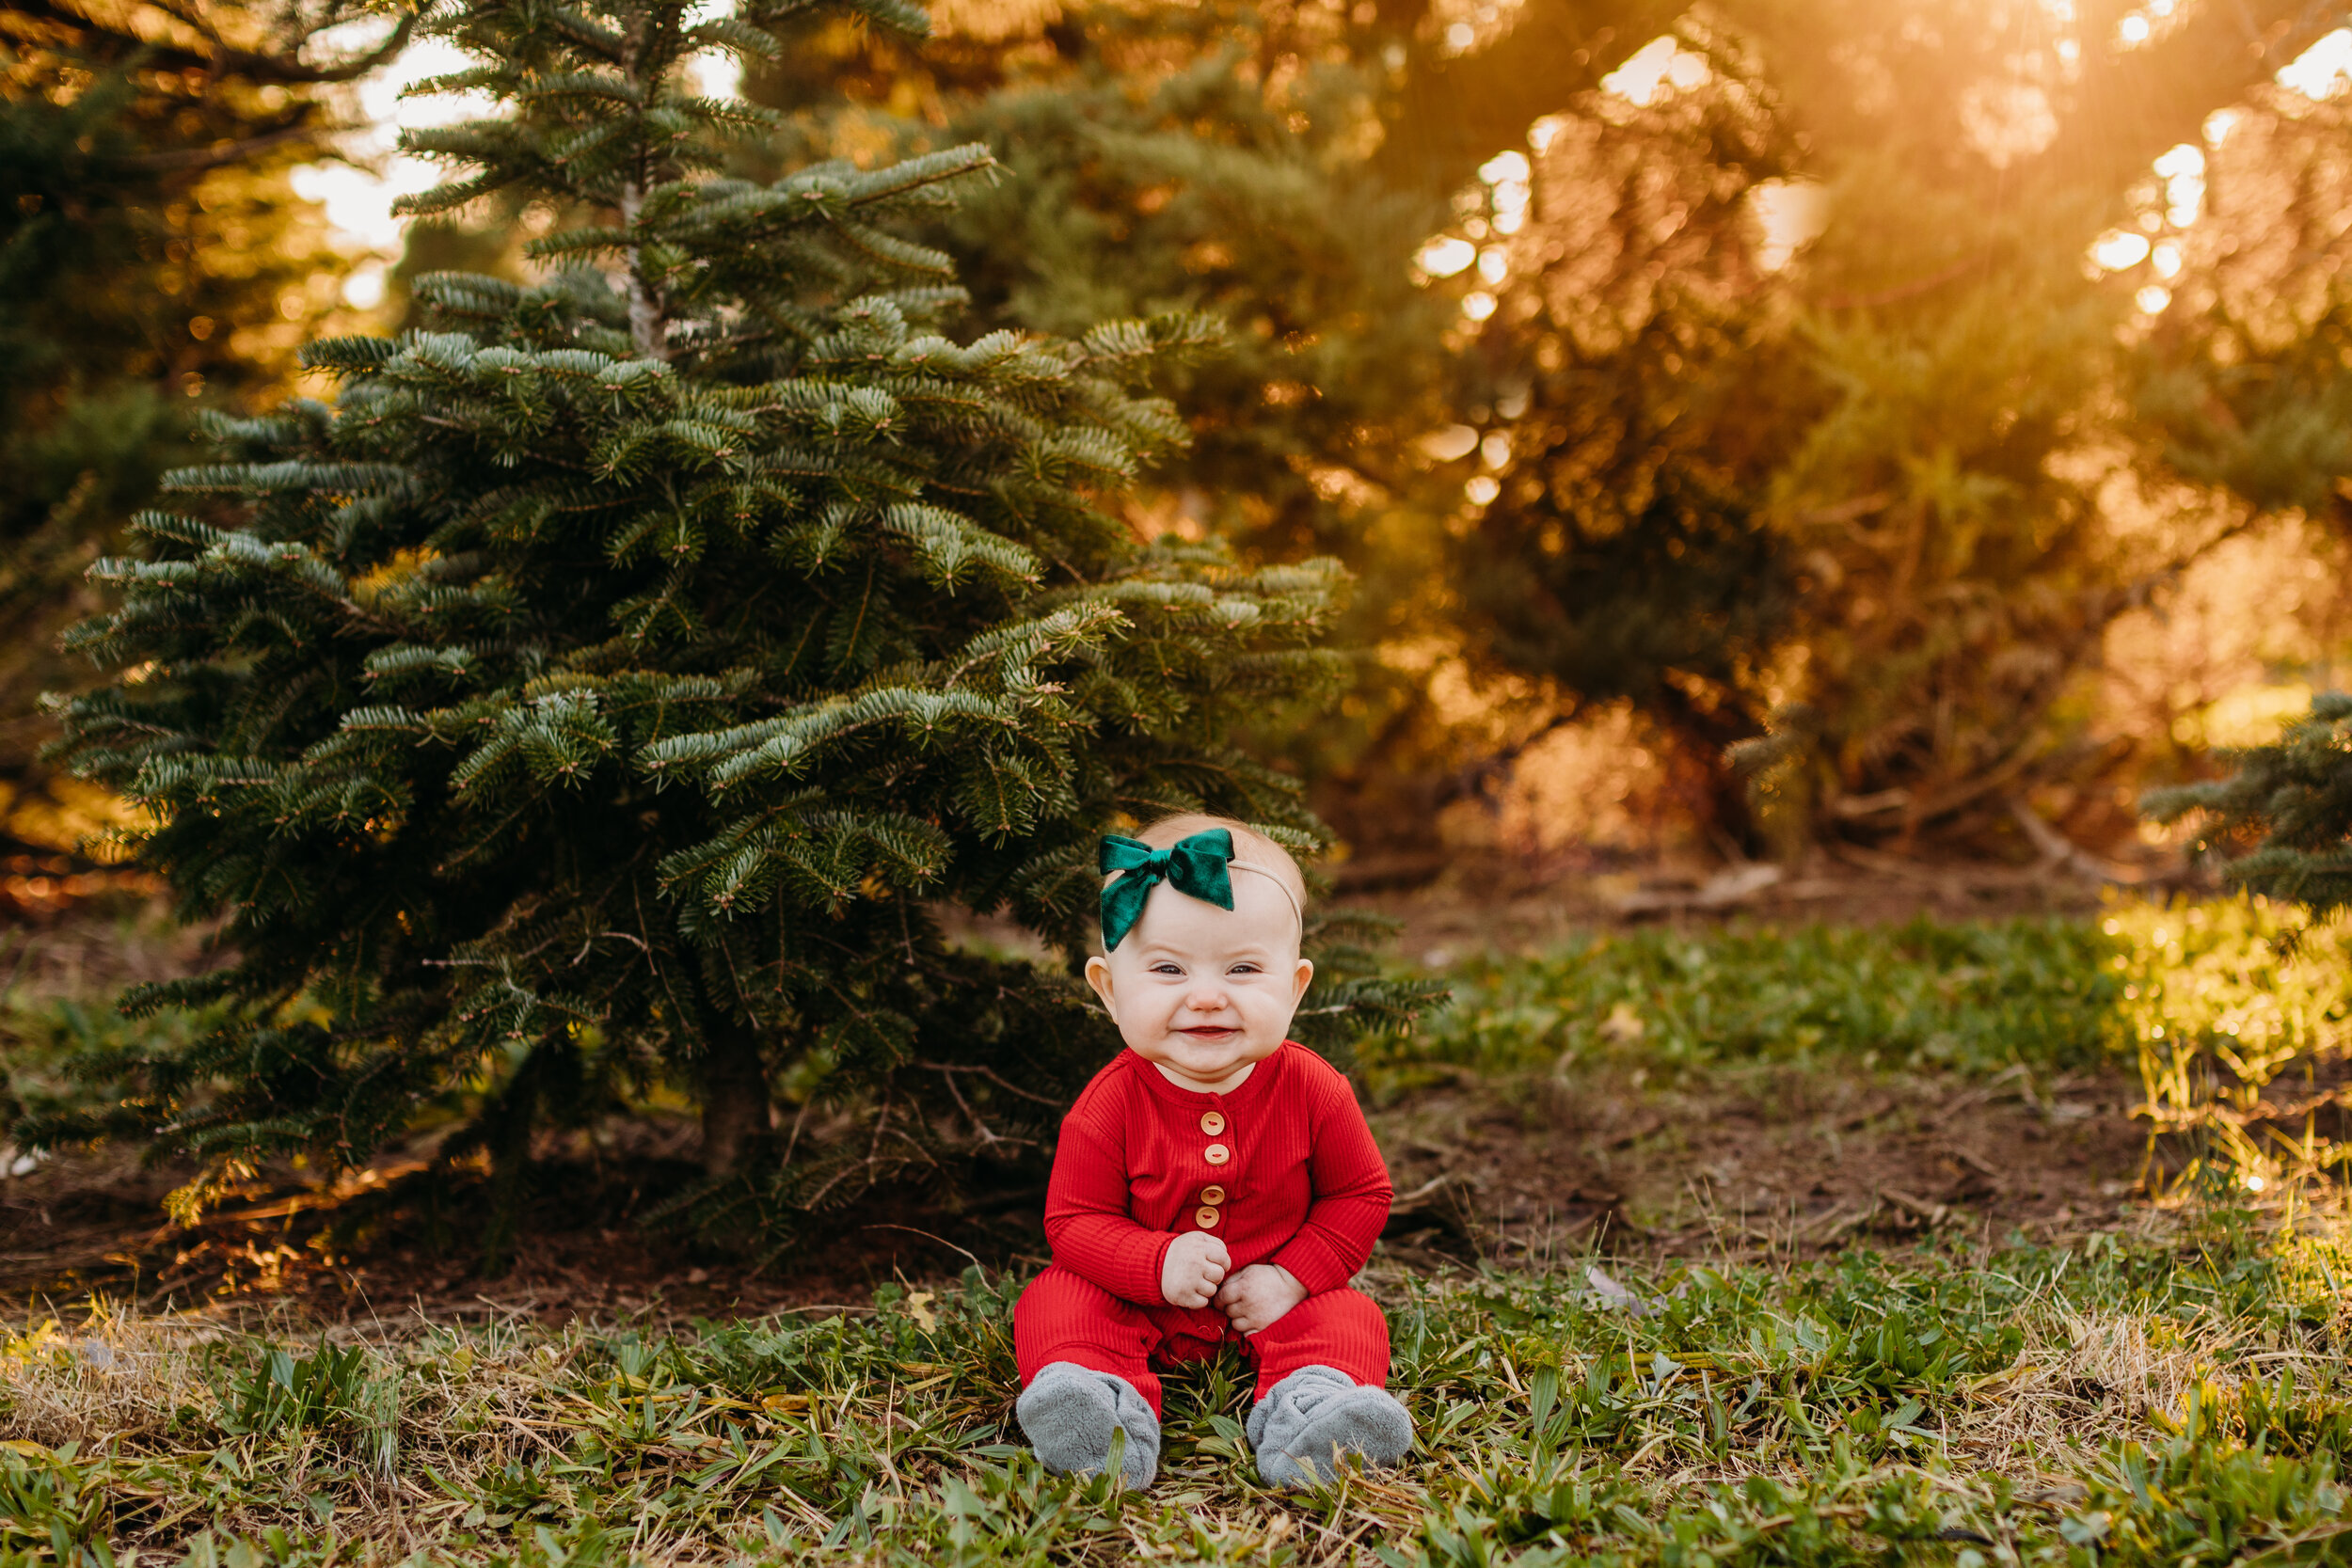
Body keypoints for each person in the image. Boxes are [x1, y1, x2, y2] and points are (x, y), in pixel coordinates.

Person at [1012, 813, 1413, 1488]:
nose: (1205, 995)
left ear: (1294, 986)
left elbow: (1360, 1193)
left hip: (1274, 1300)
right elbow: (1072, 1222)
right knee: (1054, 1300)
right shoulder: (1108, 1102)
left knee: (1351, 1314)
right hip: (1132, 1296)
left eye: (1244, 967)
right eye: (1168, 967)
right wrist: (1155, 1261)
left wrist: (1290, 1277)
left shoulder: (1316, 1089)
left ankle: (1313, 1409)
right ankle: (1097, 1406)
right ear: (1111, 989)